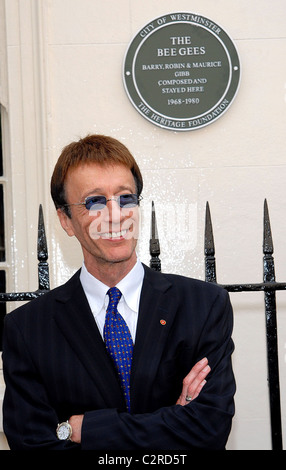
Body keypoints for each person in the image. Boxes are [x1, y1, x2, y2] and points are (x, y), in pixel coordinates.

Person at [2, 134, 235, 450]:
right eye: (94, 201)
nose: (115, 215)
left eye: (126, 198)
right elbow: (33, 443)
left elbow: (208, 430)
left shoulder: (203, 306)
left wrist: (84, 429)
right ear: (66, 220)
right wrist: (173, 422)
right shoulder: (28, 329)